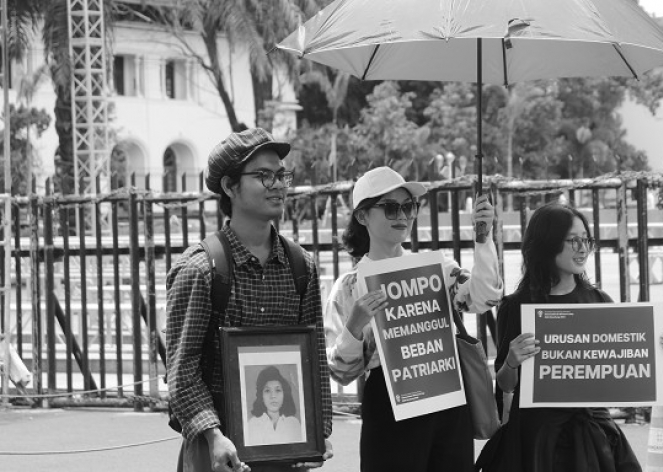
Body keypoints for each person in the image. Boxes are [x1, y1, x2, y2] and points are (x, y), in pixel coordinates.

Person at [166, 128, 332, 472]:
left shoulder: (302, 266)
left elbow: (312, 359)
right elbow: (182, 372)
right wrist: (213, 436)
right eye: (263, 175)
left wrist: (316, 430)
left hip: (285, 448)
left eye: (281, 174)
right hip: (218, 453)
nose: (278, 185)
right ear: (230, 186)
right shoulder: (199, 270)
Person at [324, 166, 503, 472]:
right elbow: (341, 371)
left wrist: (483, 239)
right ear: (362, 216)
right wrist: (355, 326)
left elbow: (485, 297)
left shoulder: (438, 269)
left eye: (409, 206)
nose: (403, 216)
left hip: (447, 399)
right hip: (390, 408)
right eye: (391, 207)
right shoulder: (350, 286)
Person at [477, 202, 663, 472]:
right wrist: (511, 362)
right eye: (573, 240)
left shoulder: (599, 301)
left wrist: (655, 348)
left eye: (586, 240)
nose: (582, 248)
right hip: (538, 439)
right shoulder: (516, 306)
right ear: (547, 243)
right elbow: (505, 386)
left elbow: (622, 365)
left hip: (595, 435)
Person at [248, 366, 303, 446]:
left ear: (284, 394)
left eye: (278, 390)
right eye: (267, 391)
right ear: (261, 396)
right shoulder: (252, 424)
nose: (273, 396)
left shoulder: (293, 423)